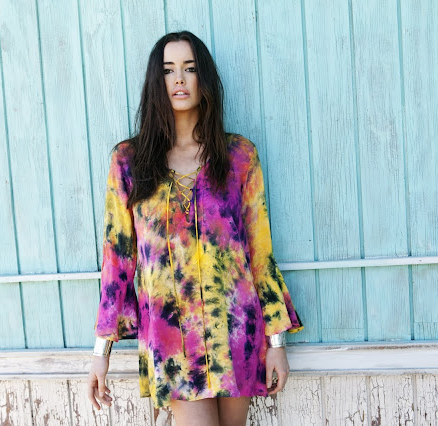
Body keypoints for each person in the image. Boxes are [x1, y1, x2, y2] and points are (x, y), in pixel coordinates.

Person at [87, 31, 303, 426]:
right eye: (169, 70)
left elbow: (259, 254)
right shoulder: (129, 162)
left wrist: (276, 342)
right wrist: (100, 353)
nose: (180, 79)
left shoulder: (239, 157)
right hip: (171, 341)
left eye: (189, 68)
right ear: (157, 82)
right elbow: (117, 263)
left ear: (204, 79)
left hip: (234, 331)